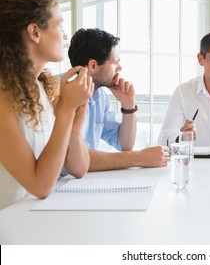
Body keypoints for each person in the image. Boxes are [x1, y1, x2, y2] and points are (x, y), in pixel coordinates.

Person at [0, 0, 94, 209]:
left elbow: (79, 169)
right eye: (60, 24)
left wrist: (73, 128)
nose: (65, 35)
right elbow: (40, 185)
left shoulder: (41, 87)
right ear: (35, 32)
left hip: (29, 220)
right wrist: (65, 112)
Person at [67, 28, 169, 172]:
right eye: (115, 62)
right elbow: (76, 158)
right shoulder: (60, 94)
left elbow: (124, 145)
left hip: (80, 183)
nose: (119, 68)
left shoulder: (99, 96)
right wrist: (140, 158)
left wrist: (128, 105)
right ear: (93, 66)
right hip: (55, 187)